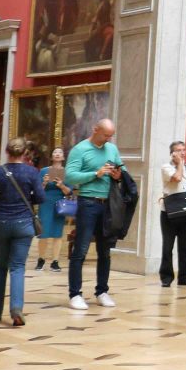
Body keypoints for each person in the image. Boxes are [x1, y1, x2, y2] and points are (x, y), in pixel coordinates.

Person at [65, 119, 124, 310]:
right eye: (106, 135)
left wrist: (118, 175)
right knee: (80, 249)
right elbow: (70, 176)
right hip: (88, 203)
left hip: (108, 205)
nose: (108, 139)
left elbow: (123, 171)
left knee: (105, 251)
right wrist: (95, 174)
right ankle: (75, 294)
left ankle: (102, 291)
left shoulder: (112, 149)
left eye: (111, 136)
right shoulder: (80, 150)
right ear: (95, 129)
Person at [0, 139, 43, 327]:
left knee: (0, 267)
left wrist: (2, 202)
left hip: (1, 222)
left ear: (6, 151)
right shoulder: (32, 172)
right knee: (18, 267)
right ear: (25, 153)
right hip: (23, 223)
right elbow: (40, 197)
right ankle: (16, 308)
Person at [159, 140, 186, 287]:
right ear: (172, 153)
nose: (182, 153)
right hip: (168, 213)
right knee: (168, 247)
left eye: (184, 150)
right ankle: (166, 278)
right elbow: (177, 178)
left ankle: (184, 277)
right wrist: (180, 163)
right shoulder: (166, 167)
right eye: (178, 150)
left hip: (185, 211)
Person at [35, 147, 73, 271]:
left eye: (60, 152)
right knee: (43, 232)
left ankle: (55, 261)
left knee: (57, 232)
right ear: (51, 156)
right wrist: (44, 183)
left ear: (63, 157)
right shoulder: (43, 171)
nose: (57, 154)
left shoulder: (67, 172)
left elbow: (69, 192)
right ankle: (41, 259)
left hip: (60, 204)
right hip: (45, 203)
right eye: (55, 152)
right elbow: (38, 191)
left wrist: (61, 185)